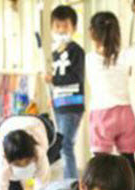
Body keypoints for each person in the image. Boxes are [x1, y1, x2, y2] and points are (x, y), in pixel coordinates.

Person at [86, 4, 135, 190]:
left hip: (102, 116)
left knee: (100, 166)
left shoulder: (89, 59)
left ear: (92, 34)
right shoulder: (125, 56)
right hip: (125, 113)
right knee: (129, 161)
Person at [44, 5, 84, 180]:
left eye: (65, 26)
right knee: (62, 145)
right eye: (57, 26)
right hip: (59, 104)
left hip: (72, 104)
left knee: (66, 145)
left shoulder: (76, 51)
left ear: (73, 28)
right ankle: (69, 181)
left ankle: (71, 184)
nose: (61, 30)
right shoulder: (54, 52)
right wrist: (52, 96)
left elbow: (76, 77)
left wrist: (53, 79)